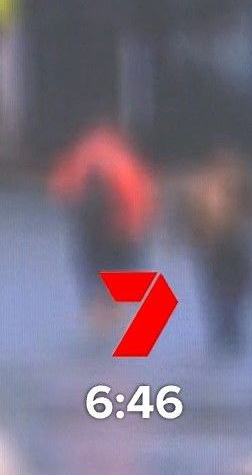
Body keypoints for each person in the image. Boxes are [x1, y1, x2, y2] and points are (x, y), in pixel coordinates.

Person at [47, 112, 157, 340]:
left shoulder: (82, 152)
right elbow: (141, 197)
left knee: (95, 287)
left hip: (90, 231)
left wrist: (74, 207)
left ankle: (99, 330)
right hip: (122, 232)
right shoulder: (124, 157)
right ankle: (117, 332)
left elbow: (59, 188)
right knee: (120, 291)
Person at [179, 145, 252, 358]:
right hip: (217, 248)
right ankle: (226, 337)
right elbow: (190, 220)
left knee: (233, 293)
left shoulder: (236, 185)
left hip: (231, 246)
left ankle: (227, 335)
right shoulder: (203, 188)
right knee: (222, 296)